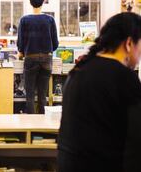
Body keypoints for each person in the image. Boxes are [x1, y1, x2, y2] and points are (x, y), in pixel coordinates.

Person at [57, 12, 141, 172]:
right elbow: (136, 139)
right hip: (103, 164)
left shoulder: (79, 68)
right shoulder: (124, 77)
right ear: (129, 43)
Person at [17, 0, 58, 114]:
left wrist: (22, 51)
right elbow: (55, 43)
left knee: (29, 94)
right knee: (42, 94)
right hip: (47, 58)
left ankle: (30, 124)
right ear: (42, 2)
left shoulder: (24, 20)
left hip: (30, 58)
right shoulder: (50, 20)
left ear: (30, 3)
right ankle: (42, 124)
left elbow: (20, 42)